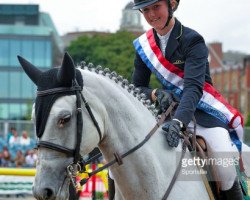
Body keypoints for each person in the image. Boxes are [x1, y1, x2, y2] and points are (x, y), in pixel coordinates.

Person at [132, 0, 245, 199]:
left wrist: (179, 122)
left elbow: (193, 88)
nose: (151, 15)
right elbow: (137, 87)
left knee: (224, 165)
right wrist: (155, 94)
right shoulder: (144, 45)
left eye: (156, 7)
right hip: (165, 114)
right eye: (145, 10)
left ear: (172, 4)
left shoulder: (193, 40)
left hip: (202, 113)